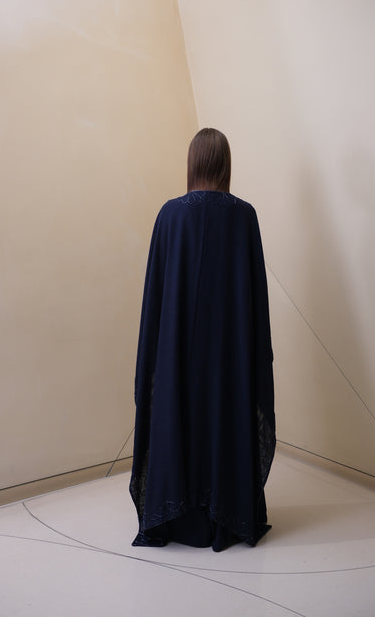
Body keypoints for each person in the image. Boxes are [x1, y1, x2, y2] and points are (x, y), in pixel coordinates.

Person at [129, 128, 275, 552]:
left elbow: (155, 298)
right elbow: (255, 299)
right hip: (230, 355)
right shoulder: (244, 216)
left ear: (192, 163)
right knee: (225, 413)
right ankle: (228, 512)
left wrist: (155, 356)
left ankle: (175, 514)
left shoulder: (169, 215)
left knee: (177, 413)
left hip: (177, 353)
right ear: (226, 165)